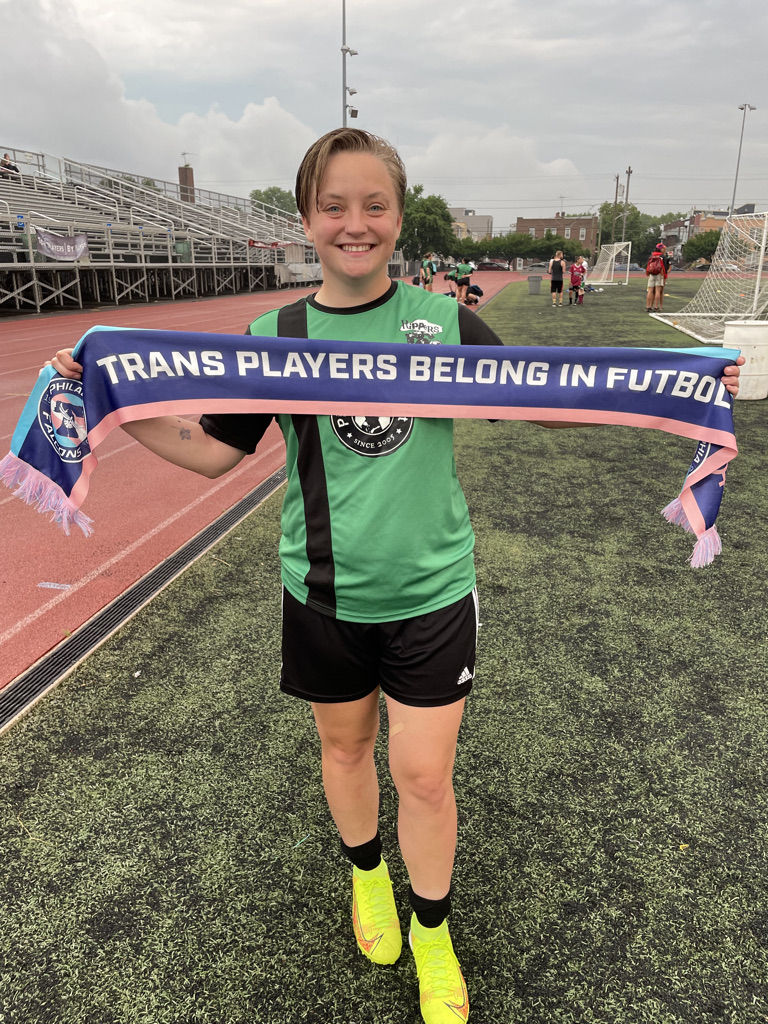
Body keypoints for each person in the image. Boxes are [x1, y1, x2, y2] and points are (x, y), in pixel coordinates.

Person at [45, 128, 744, 1024]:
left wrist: (675, 382)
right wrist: (114, 400)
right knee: (344, 751)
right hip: (325, 594)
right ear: (306, 219)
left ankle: (434, 932)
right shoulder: (275, 336)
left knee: (423, 776)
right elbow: (217, 452)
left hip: (433, 594)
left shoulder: (442, 321)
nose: (354, 223)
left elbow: (548, 396)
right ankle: (368, 879)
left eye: (373, 204)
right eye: (334, 206)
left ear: (399, 217)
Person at [645, 243, 668, 313]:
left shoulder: (652, 255)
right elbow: (664, 267)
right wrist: (665, 276)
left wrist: (647, 274)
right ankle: (656, 306)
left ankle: (648, 306)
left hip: (651, 274)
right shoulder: (662, 256)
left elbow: (648, 265)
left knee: (650, 291)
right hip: (659, 274)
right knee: (658, 291)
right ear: (661, 249)